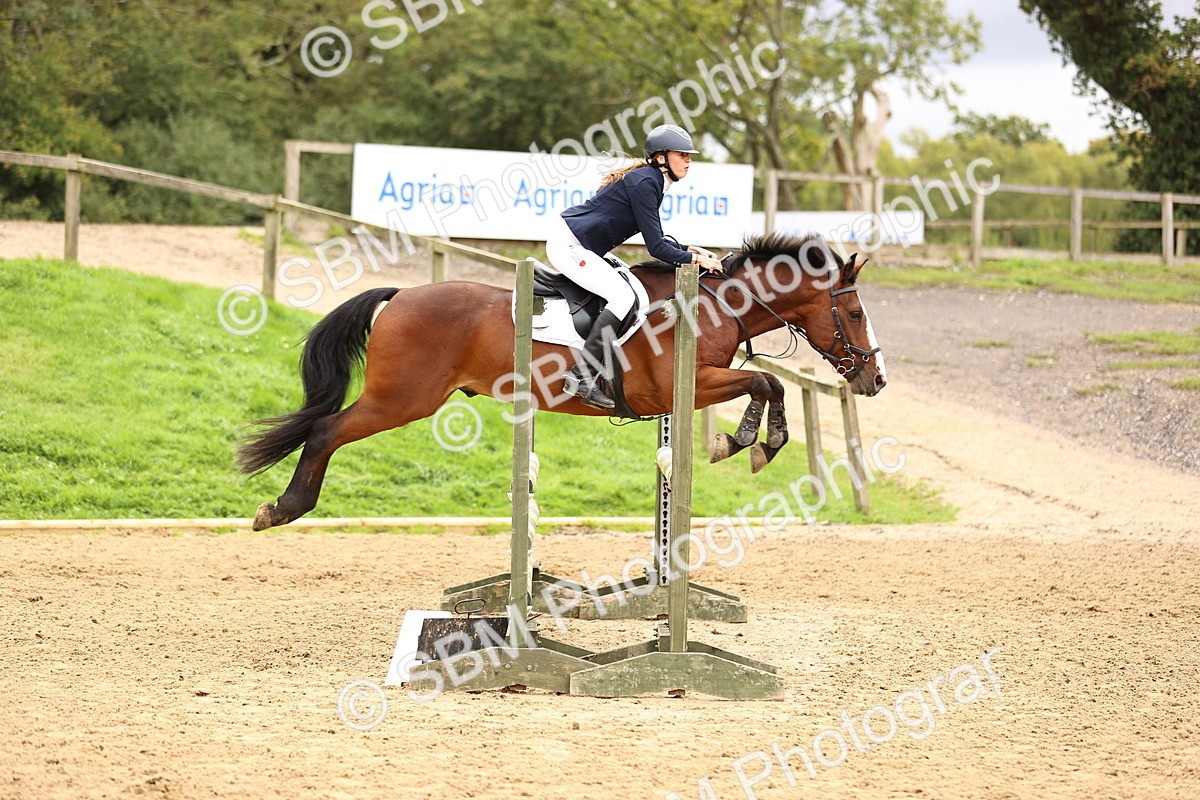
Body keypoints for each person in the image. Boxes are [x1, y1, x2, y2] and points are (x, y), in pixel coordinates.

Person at [545, 123, 725, 410]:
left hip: (582, 245)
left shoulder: (651, 181)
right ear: (661, 157)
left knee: (631, 290)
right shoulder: (645, 183)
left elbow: (658, 239)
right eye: (682, 154)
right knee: (623, 297)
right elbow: (656, 248)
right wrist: (696, 260)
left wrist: (691, 250)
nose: (689, 160)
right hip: (569, 246)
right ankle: (582, 376)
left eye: (689, 155)